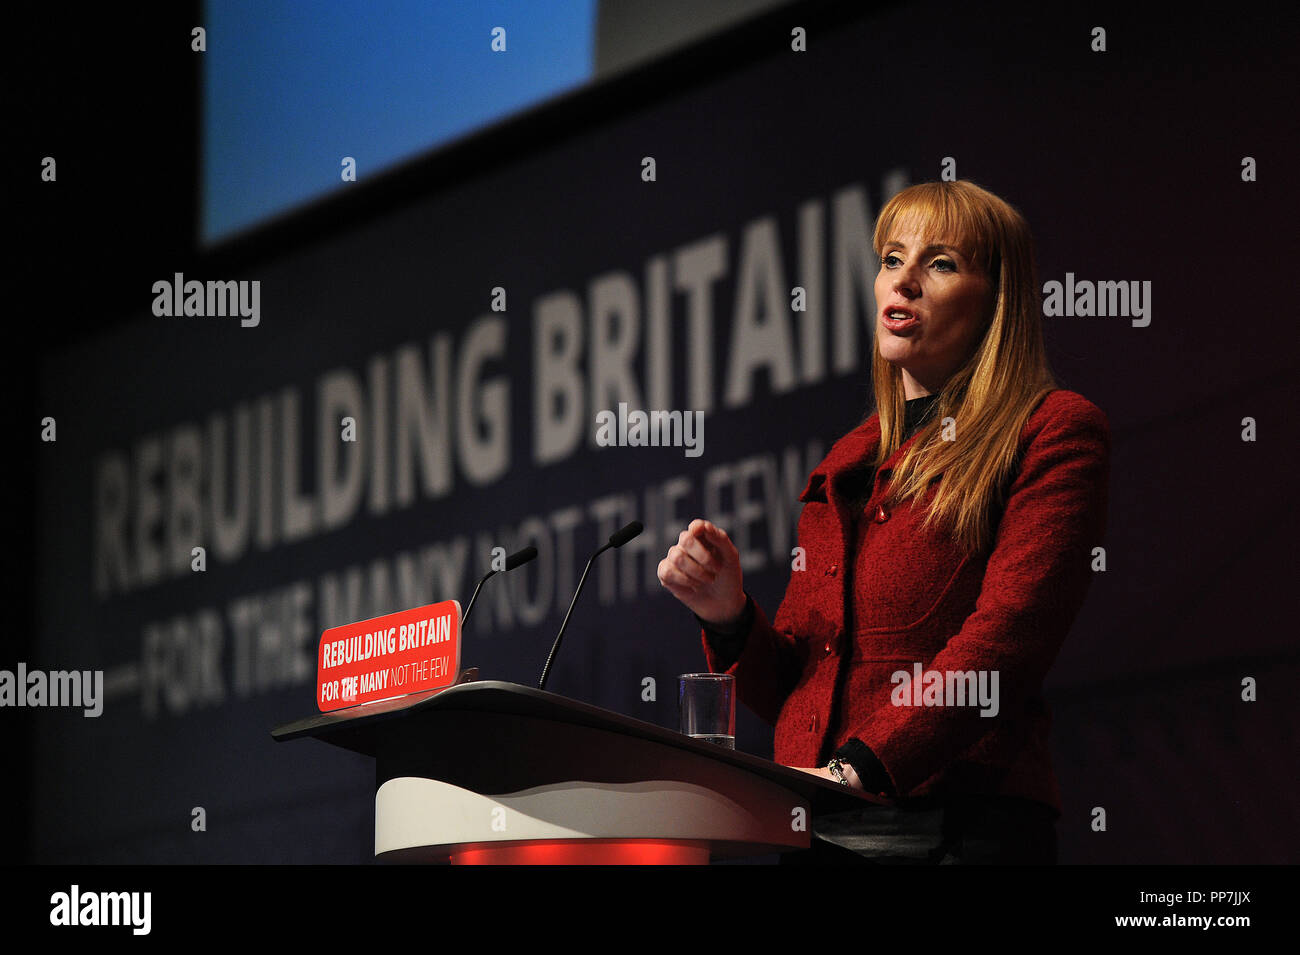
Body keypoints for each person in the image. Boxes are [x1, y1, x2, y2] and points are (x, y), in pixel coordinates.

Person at [657, 179, 1109, 864]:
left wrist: (857, 770)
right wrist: (728, 617)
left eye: (942, 263)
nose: (905, 282)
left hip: (953, 829)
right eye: (892, 259)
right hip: (818, 832)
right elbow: (800, 690)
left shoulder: (1050, 431)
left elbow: (1006, 642)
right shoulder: (845, 466)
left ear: (998, 301)